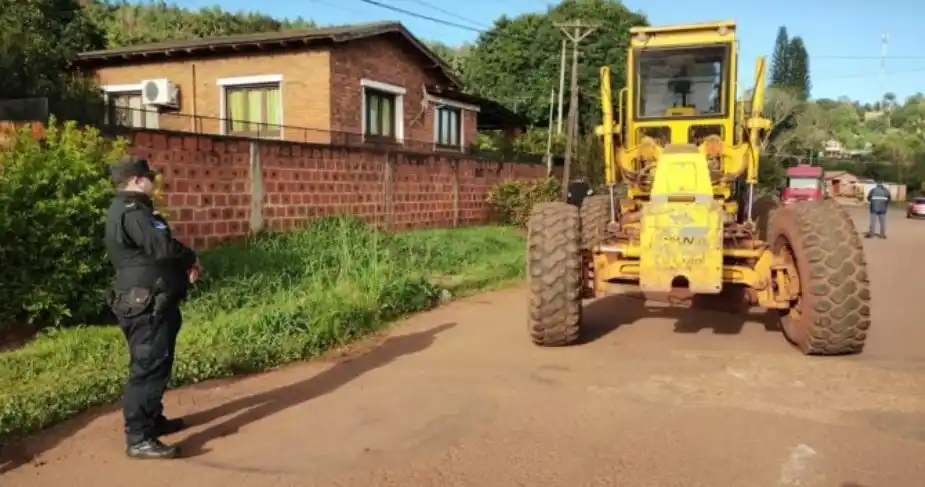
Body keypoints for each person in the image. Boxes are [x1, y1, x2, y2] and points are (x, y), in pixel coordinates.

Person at [104, 156, 201, 459]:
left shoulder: (130, 210)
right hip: (147, 305)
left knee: (156, 363)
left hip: (148, 301)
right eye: (148, 177)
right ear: (135, 180)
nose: (153, 182)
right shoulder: (134, 211)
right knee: (147, 367)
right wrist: (190, 258)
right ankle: (139, 437)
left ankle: (152, 420)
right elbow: (162, 247)